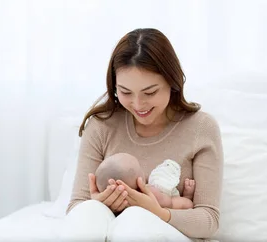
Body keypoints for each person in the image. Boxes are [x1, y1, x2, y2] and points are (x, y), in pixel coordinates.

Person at [58, 28, 223, 242]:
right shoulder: (102, 126)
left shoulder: (201, 127)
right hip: (107, 232)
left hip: (164, 233)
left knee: (135, 221)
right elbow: (76, 209)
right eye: (125, 92)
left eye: (150, 92)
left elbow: (208, 220)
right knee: (89, 212)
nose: (138, 105)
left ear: (172, 82)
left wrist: (156, 211)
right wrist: (100, 203)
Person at [95, 153, 196, 210]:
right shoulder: (151, 192)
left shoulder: (115, 207)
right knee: (179, 203)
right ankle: (187, 198)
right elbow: (169, 203)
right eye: (140, 168)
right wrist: (186, 198)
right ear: (140, 181)